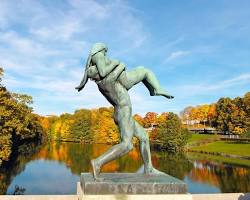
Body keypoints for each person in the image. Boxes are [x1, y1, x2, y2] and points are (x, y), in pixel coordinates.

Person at [76, 43, 174, 181]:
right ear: (97, 73)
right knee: (127, 145)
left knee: (144, 137)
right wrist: (118, 63)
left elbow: (117, 74)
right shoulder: (107, 80)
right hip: (123, 111)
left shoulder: (102, 82)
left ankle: (149, 168)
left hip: (121, 112)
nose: (105, 60)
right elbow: (119, 68)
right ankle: (97, 163)